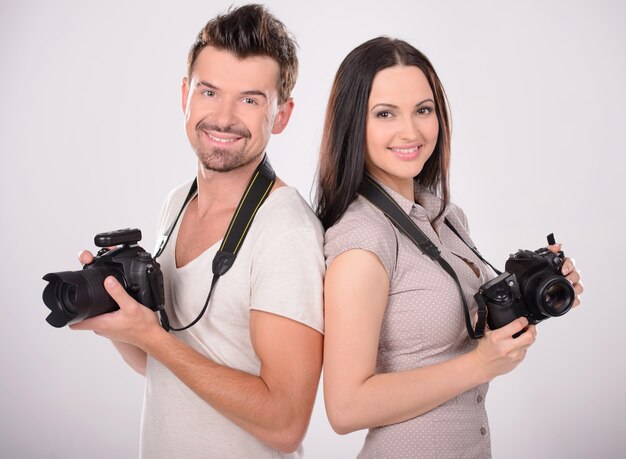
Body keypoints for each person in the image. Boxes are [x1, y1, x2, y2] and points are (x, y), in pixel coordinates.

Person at [71, 5, 324, 458]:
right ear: (185, 94)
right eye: (210, 92)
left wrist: (153, 338)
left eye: (250, 99)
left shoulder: (285, 230)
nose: (224, 117)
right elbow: (161, 366)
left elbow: (286, 424)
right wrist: (115, 316)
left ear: (281, 115)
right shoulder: (177, 201)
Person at [316, 37, 583, 458]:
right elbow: (345, 408)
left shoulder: (445, 215)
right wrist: (479, 363)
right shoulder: (362, 241)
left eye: (423, 110)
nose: (412, 131)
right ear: (354, 123)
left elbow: (466, 330)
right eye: (385, 114)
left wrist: (539, 288)